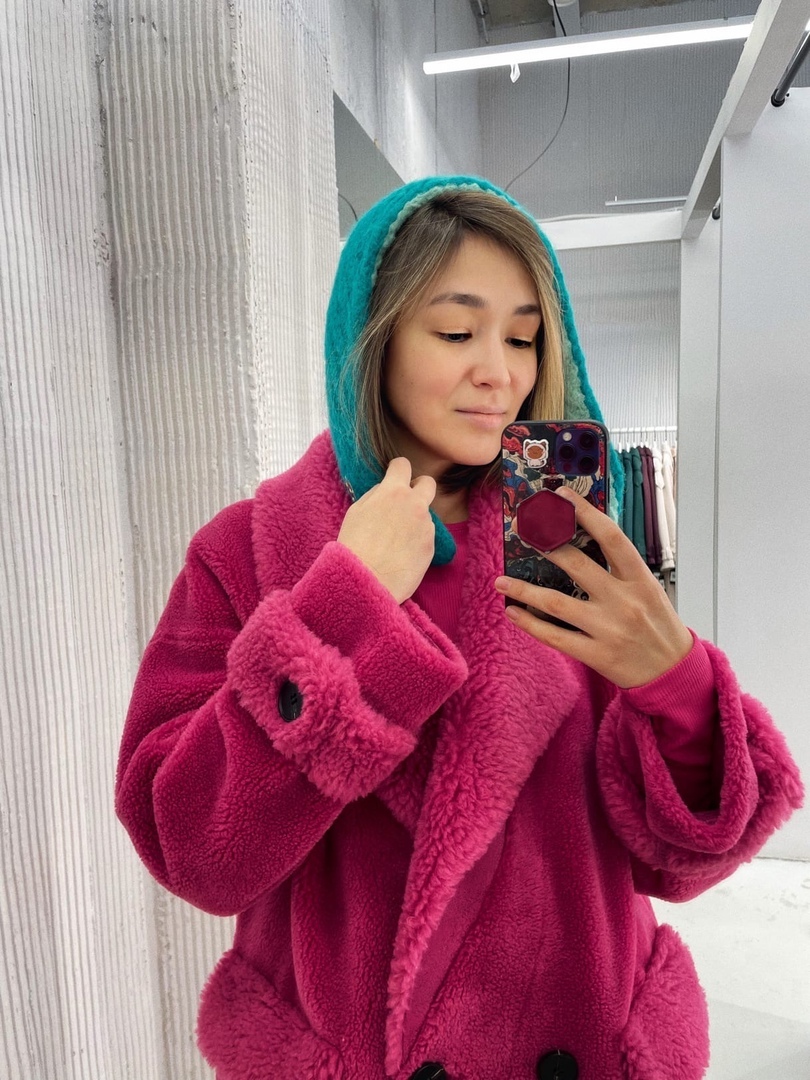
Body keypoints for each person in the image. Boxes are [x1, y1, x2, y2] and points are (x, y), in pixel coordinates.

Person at [115, 176, 803, 1080]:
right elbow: (196, 851)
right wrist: (347, 603)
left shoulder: (563, 541)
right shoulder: (246, 552)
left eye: (523, 337)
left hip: (585, 1036)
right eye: (455, 332)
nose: (500, 373)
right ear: (372, 341)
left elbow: (678, 868)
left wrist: (674, 682)